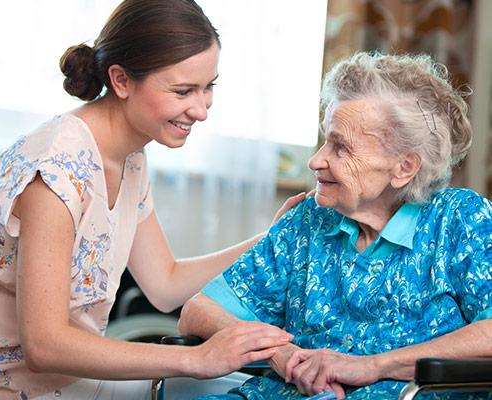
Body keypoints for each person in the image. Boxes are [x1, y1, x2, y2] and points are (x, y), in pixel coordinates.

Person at [0, 0, 303, 399]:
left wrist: (271, 238)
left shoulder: (129, 154)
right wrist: (198, 358)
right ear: (121, 80)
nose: (201, 110)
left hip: (69, 383)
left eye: (209, 87)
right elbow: (44, 346)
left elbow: (164, 284)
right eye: (183, 90)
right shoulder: (57, 172)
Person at [178, 51, 492, 400]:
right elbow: (197, 311)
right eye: (325, 140)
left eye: (340, 147)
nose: (316, 161)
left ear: (404, 168)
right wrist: (280, 354)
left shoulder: (461, 219)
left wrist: (371, 366)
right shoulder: (310, 218)